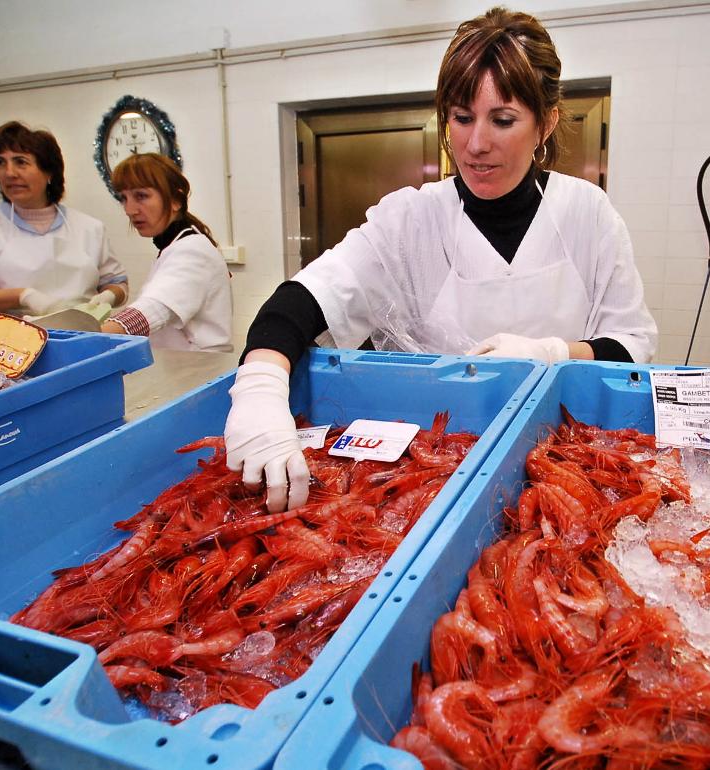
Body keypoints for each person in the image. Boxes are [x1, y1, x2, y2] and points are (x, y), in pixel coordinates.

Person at [224, 6, 657, 512]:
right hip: (434, 473)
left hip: (561, 467)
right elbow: (301, 300)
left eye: (503, 120)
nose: (476, 145)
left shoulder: (587, 212)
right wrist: (259, 386)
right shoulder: (410, 219)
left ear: (546, 122)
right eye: (461, 117)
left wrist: (556, 354)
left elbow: (631, 348)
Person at [0, 121, 128, 317]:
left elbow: (118, 283)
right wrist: (23, 296)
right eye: (0, 162)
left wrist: (109, 296)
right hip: (12, 341)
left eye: (21, 162)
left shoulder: (90, 228)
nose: (10, 173)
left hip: (81, 336)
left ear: (49, 172)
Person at [98, 153, 233, 353]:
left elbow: (153, 311)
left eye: (141, 196)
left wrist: (90, 337)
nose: (130, 209)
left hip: (199, 371)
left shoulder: (193, 249)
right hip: (183, 370)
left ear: (176, 200)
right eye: (123, 198)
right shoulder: (176, 246)